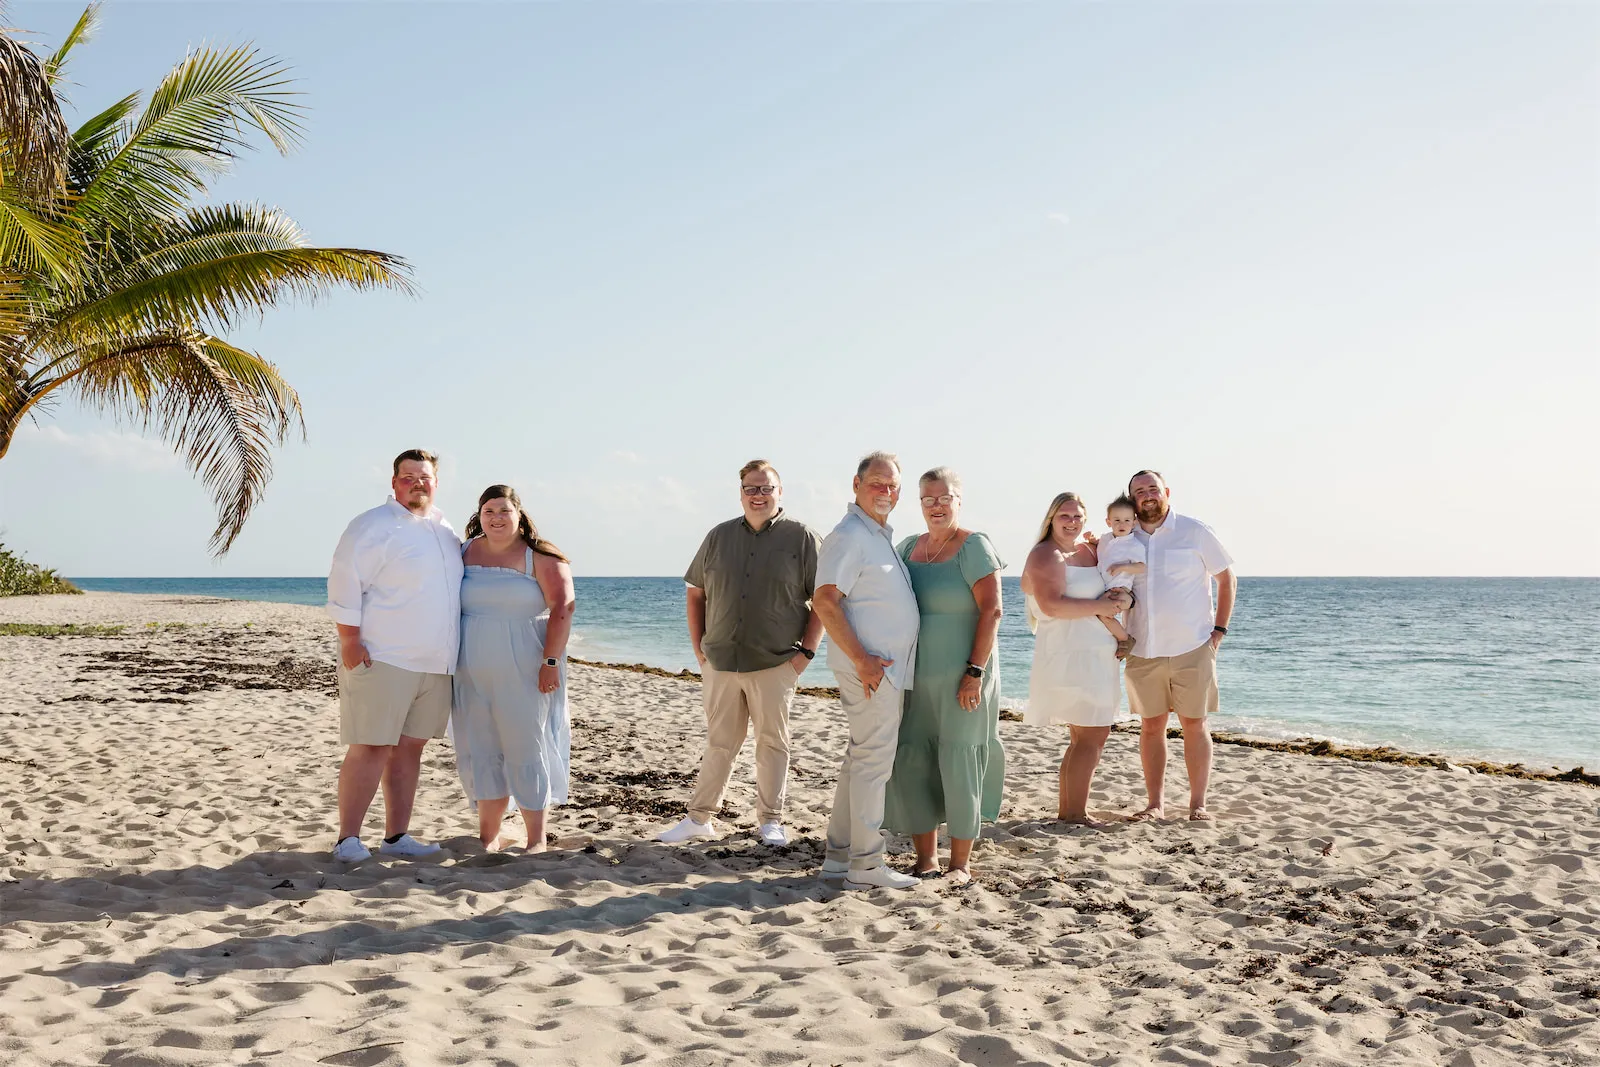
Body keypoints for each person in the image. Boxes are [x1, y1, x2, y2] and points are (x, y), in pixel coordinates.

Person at [655, 459, 823, 847]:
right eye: (751, 488)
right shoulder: (718, 537)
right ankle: (699, 819)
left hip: (776, 661)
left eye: (766, 488)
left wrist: (806, 655)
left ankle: (770, 822)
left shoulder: (803, 538)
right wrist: (698, 647)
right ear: (741, 492)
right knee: (720, 743)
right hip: (721, 661)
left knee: (772, 743)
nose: (758, 495)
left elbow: (824, 600)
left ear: (780, 492)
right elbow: (695, 592)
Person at [326, 449, 465, 862]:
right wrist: (350, 640)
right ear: (393, 482)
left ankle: (396, 836)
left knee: (409, 750)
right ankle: (348, 839)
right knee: (370, 745)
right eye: (408, 477)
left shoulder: (444, 529)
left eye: (424, 477)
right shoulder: (371, 526)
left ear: (435, 483)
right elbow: (344, 583)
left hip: (435, 663)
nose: (417, 483)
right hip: (382, 656)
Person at [882, 468, 1005, 886]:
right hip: (915, 674)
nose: (936, 506)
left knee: (959, 758)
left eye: (944, 497)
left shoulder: (975, 546)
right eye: (927, 499)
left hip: (963, 674)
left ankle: (960, 863)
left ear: (958, 500)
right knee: (915, 757)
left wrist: (974, 671)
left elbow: (992, 611)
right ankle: (925, 859)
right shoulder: (907, 547)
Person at [813, 452, 922, 891]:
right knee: (873, 764)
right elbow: (824, 601)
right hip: (871, 671)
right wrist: (862, 659)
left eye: (893, 485)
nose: (886, 491)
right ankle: (866, 865)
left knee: (860, 760)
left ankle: (839, 858)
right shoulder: (849, 536)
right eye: (877, 482)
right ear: (856, 484)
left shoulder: (876, 536)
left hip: (880, 670)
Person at [452, 484, 576, 852]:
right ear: (479, 517)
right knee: (480, 747)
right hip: (468, 667)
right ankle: (488, 836)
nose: (496, 518)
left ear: (520, 516)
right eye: (489, 511)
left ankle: (535, 839)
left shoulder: (539, 556)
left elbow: (563, 608)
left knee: (526, 745)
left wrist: (550, 662)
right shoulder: (463, 552)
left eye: (504, 511)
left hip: (526, 663)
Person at [1122, 470, 1237, 823]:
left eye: (1152, 488)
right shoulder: (1124, 537)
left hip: (1192, 646)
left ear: (1166, 492)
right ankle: (1155, 804)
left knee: (1194, 724)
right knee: (1151, 727)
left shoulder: (1194, 531)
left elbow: (1226, 578)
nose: (1147, 495)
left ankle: (1197, 804)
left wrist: (1219, 630)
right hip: (1143, 649)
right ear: (1132, 499)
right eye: (1139, 491)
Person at [1022, 492, 1133, 825]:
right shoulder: (1045, 555)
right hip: (1071, 655)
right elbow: (1052, 605)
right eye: (1064, 516)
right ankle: (1074, 814)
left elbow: (1118, 582)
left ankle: (1071, 811)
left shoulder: (1089, 550)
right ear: (1051, 519)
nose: (1071, 522)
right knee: (1093, 735)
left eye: (1077, 516)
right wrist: (1103, 607)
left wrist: (1124, 598)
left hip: (1097, 654)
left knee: (1083, 736)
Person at [1095, 495, 1147, 658]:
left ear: (1134, 522)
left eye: (1126, 520)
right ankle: (1120, 639)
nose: (1122, 524)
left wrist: (1123, 566)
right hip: (1105, 589)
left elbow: (1142, 567)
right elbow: (1103, 550)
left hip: (1122, 590)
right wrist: (1092, 540)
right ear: (1108, 522)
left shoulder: (1134, 545)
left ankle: (1125, 639)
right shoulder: (1105, 539)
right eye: (1116, 520)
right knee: (1101, 614)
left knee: (1104, 613)